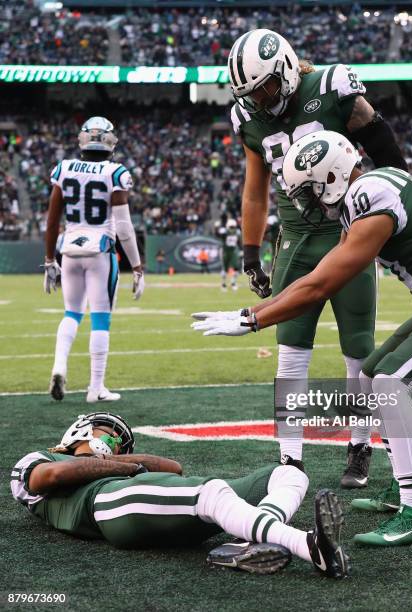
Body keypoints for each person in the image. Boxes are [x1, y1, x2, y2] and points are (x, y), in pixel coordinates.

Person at [192, 130, 412, 547]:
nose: (306, 203)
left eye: (308, 191)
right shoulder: (369, 190)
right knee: (369, 375)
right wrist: (255, 311)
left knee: (389, 383)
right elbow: (315, 275)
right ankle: (402, 489)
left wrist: (253, 319)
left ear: (332, 177)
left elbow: (320, 286)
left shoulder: (370, 195)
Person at [228, 29, 408, 488]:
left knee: (357, 352)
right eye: (251, 93)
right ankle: (290, 460)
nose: (261, 99)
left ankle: (360, 444)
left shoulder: (331, 86)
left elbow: (383, 145)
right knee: (290, 352)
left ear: (285, 69)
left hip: (349, 232)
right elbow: (255, 191)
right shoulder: (249, 116)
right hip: (295, 240)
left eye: (265, 87)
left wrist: (395, 204)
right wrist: (251, 253)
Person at [10, 412, 349, 578]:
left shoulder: (117, 464)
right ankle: (307, 544)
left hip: (148, 501)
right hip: (105, 506)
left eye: (121, 442)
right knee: (213, 491)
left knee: (288, 474)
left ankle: (244, 544)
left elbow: (172, 468)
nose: (114, 442)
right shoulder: (44, 458)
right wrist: (121, 464)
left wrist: (117, 460)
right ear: (77, 431)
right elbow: (49, 477)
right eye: (108, 432)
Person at [44, 117, 145, 403]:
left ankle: (59, 366)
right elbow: (124, 228)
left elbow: (52, 221)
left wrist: (50, 258)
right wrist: (137, 266)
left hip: (70, 248)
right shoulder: (116, 172)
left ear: (83, 140)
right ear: (111, 142)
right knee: (100, 317)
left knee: (71, 313)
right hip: (100, 248)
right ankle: (95, 388)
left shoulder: (64, 168)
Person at [217, 218, 241, 291]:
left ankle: (233, 283)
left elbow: (239, 241)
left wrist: (241, 250)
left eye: (233, 227)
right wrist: (217, 228)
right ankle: (223, 284)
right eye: (231, 227)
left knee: (236, 268)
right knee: (225, 269)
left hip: (233, 251)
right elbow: (219, 233)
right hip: (225, 251)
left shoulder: (237, 232)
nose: (232, 229)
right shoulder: (224, 232)